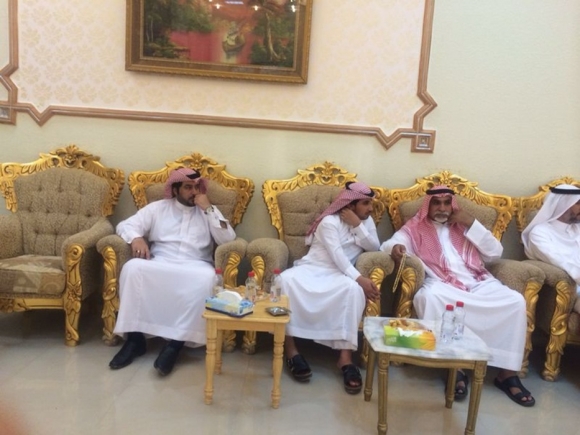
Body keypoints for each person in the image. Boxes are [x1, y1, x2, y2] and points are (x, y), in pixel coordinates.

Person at [380, 186, 535, 407]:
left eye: (446, 203)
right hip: (442, 284)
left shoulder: (466, 225)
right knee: (429, 298)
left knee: (515, 301)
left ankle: (507, 374)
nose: (442, 208)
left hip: (478, 281)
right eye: (437, 203)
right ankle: (455, 368)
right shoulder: (415, 227)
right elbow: (388, 245)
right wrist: (395, 248)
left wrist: (470, 222)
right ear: (428, 205)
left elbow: (495, 253)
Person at [108, 167, 236, 376]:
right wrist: (136, 238)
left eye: (196, 187)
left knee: (207, 279)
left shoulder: (207, 212)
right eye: (188, 187)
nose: (194, 192)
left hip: (195, 265)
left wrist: (209, 209)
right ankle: (135, 340)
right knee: (132, 268)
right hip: (161, 262)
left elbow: (227, 238)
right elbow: (126, 225)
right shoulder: (158, 208)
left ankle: (175, 345)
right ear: (175, 190)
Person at [279, 181, 381, 395]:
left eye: (370, 203)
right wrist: (360, 278)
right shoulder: (329, 222)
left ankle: (345, 358)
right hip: (313, 269)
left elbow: (375, 247)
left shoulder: (365, 221)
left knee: (353, 291)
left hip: (340, 275)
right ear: (350, 204)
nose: (370, 208)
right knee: (285, 281)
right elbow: (337, 255)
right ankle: (291, 351)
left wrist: (357, 225)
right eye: (365, 203)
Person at [521, 184, 580, 293]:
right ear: (563, 205)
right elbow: (559, 261)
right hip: (573, 288)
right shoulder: (540, 233)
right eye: (578, 203)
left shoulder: (577, 228)